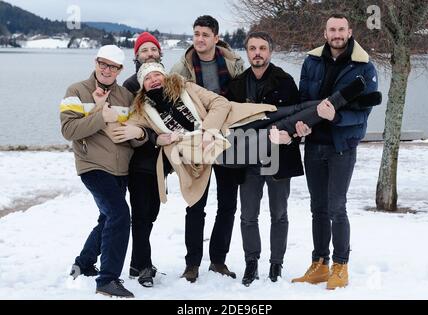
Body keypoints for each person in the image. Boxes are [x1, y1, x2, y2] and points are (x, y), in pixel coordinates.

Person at [126, 62, 377, 285]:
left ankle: (346, 100)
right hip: (222, 148)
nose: (154, 79)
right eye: (148, 78)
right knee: (281, 128)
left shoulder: (185, 87)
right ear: (143, 86)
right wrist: (162, 137)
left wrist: (208, 130)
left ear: (165, 75)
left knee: (288, 110)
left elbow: (220, 103)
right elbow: (142, 133)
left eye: (157, 74)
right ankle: (345, 99)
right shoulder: (144, 111)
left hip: (229, 124)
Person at [291, 13, 379, 290]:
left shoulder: (364, 66)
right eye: (332, 29)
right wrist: (302, 125)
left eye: (342, 29)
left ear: (350, 31)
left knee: (336, 207)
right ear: (325, 33)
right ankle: (320, 264)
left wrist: (336, 119)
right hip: (314, 144)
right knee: (317, 208)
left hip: (342, 147)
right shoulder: (311, 61)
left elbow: (364, 112)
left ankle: (341, 265)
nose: (337, 34)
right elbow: (303, 101)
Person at [60, 45, 148, 298]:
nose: (107, 70)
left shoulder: (126, 97)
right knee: (120, 215)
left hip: (121, 168)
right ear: (96, 62)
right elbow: (69, 131)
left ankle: (85, 262)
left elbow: (135, 134)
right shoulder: (76, 91)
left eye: (113, 66)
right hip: (92, 166)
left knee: (108, 218)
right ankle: (107, 280)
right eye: (103, 64)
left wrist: (139, 133)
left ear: (120, 70)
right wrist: (101, 115)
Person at [226, 31, 304, 286]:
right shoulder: (237, 84)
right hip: (247, 159)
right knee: (248, 215)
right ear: (247, 52)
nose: (257, 53)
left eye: (262, 48)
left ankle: (276, 264)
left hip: (278, 158)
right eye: (252, 48)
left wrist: (290, 136)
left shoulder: (285, 81)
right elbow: (228, 121)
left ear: (270, 51)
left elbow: (299, 118)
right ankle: (251, 263)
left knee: (279, 214)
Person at [171, 15, 244, 280]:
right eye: (196, 34)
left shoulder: (233, 64)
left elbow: (240, 100)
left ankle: (218, 260)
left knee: (227, 204)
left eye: (205, 34)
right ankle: (192, 264)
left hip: (227, 141)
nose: (199, 39)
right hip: (196, 142)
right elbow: (172, 104)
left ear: (216, 37)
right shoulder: (181, 68)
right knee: (195, 204)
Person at [123, 32, 167, 287]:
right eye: (144, 50)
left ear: (159, 54)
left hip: (161, 163)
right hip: (138, 162)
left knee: (151, 213)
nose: (149, 53)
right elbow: (133, 123)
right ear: (137, 56)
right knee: (141, 214)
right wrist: (153, 136)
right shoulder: (131, 85)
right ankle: (144, 266)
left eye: (153, 49)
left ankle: (135, 262)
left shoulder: (165, 80)